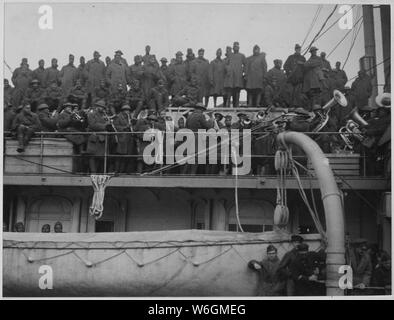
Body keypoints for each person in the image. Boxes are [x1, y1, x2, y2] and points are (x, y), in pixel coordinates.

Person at [183, 102, 214, 174]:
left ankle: (184, 175)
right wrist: (211, 119)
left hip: (189, 139)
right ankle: (192, 176)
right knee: (195, 159)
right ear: (201, 109)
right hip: (197, 140)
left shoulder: (190, 116)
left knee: (188, 159)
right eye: (203, 110)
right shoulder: (200, 116)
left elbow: (186, 127)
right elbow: (208, 126)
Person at [57, 102, 87, 173]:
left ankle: (81, 150)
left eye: (71, 107)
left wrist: (81, 120)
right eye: (68, 107)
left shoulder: (72, 114)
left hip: (71, 130)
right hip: (64, 131)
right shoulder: (62, 114)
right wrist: (70, 117)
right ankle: (81, 150)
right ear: (65, 108)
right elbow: (62, 124)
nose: (70, 109)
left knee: (81, 134)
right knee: (79, 135)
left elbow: (76, 124)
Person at [86, 100, 111, 173]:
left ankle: (99, 172)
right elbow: (92, 125)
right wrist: (105, 125)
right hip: (94, 138)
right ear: (97, 107)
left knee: (101, 156)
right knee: (92, 156)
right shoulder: (91, 114)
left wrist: (108, 123)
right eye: (101, 107)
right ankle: (93, 172)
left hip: (102, 138)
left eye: (103, 107)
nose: (102, 109)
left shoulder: (103, 115)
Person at [113, 104, 136, 173]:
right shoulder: (118, 117)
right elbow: (116, 126)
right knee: (120, 155)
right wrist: (126, 126)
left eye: (129, 110)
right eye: (126, 110)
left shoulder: (129, 117)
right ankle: (117, 170)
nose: (128, 112)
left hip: (128, 139)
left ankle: (122, 171)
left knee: (126, 156)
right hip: (121, 138)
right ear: (123, 111)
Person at [225, 42, 246, 108]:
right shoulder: (230, 55)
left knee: (237, 91)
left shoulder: (242, 55)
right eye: (234, 47)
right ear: (233, 48)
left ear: (239, 48)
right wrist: (228, 69)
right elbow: (226, 63)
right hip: (231, 76)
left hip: (238, 76)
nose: (236, 48)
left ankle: (236, 105)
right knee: (229, 90)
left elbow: (246, 65)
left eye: (237, 47)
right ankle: (227, 104)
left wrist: (243, 71)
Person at [302, 46, 323, 111]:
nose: (314, 52)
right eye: (313, 51)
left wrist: (311, 65)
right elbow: (305, 65)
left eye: (315, 51)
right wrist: (312, 65)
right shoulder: (309, 59)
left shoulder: (318, 59)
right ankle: (312, 108)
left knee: (318, 95)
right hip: (311, 82)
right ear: (311, 52)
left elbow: (319, 64)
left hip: (317, 79)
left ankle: (317, 108)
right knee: (311, 96)